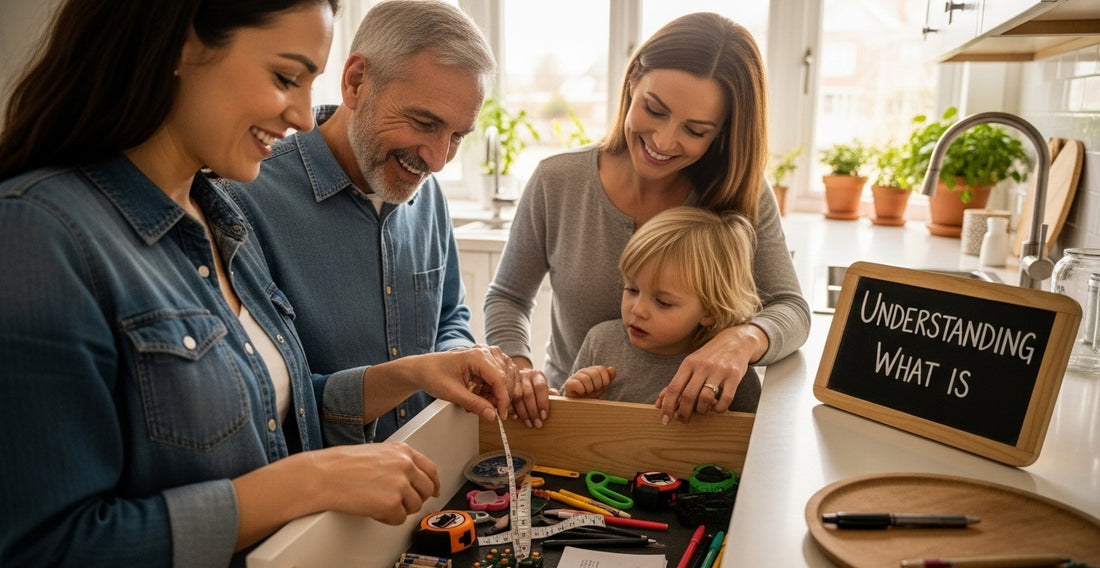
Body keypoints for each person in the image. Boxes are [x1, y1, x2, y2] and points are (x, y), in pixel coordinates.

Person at [0, 1, 520, 568]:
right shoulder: (36, 234)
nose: (303, 116)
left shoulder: (217, 221)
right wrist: (310, 481)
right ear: (180, 49)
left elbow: (284, 414)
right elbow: (39, 562)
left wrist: (414, 372)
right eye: (284, 78)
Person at [219, 0, 530, 441]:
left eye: (457, 136)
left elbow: (449, 316)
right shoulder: (244, 202)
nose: (438, 160)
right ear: (356, 82)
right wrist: (412, 375)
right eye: (424, 122)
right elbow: (276, 407)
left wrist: (461, 358)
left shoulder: (427, 191)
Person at [485, 12, 811, 425]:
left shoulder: (740, 193)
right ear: (633, 79)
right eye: (654, 110)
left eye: (695, 130)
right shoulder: (558, 180)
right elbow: (508, 297)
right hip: (572, 421)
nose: (663, 141)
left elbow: (792, 309)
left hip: (688, 437)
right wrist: (520, 371)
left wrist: (743, 338)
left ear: (722, 133)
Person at [562, 207, 762, 412]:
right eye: (632, 289)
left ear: (710, 312)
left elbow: (755, 433)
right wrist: (578, 400)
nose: (638, 310)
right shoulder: (600, 341)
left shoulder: (725, 365)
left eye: (663, 302)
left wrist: (714, 420)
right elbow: (563, 426)